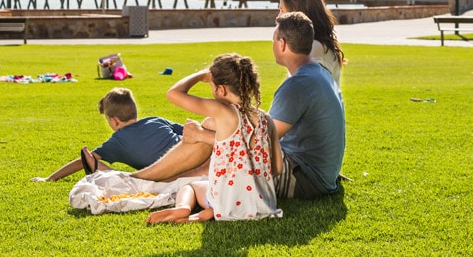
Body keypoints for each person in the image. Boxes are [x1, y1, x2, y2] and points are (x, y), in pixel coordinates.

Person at [133, 12, 346, 200]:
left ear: (282, 44)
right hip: (316, 174)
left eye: (273, 39)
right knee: (212, 125)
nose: (272, 45)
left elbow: (260, 145)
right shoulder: (318, 73)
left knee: (210, 129)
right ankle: (155, 179)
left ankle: (143, 179)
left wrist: (201, 135)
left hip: (305, 180)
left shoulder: (297, 85)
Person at [146, 54, 282, 223]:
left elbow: (173, 94)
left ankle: (184, 208)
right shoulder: (266, 119)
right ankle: (205, 213)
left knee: (192, 187)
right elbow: (276, 168)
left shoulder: (222, 111)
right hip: (261, 205)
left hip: (225, 203)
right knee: (220, 187)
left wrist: (202, 75)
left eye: (212, 85)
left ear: (221, 89)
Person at [30, 88, 183, 182]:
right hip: (196, 157)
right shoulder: (156, 120)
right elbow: (187, 131)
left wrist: (49, 178)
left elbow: (83, 160)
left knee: (120, 174)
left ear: (114, 121)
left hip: (169, 174)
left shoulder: (118, 141)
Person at [278, 0, 345, 87]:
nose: (278, 16)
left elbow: (297, 93)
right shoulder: (315, 45)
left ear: (297, 13)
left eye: (282, 10)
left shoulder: (314, 47)